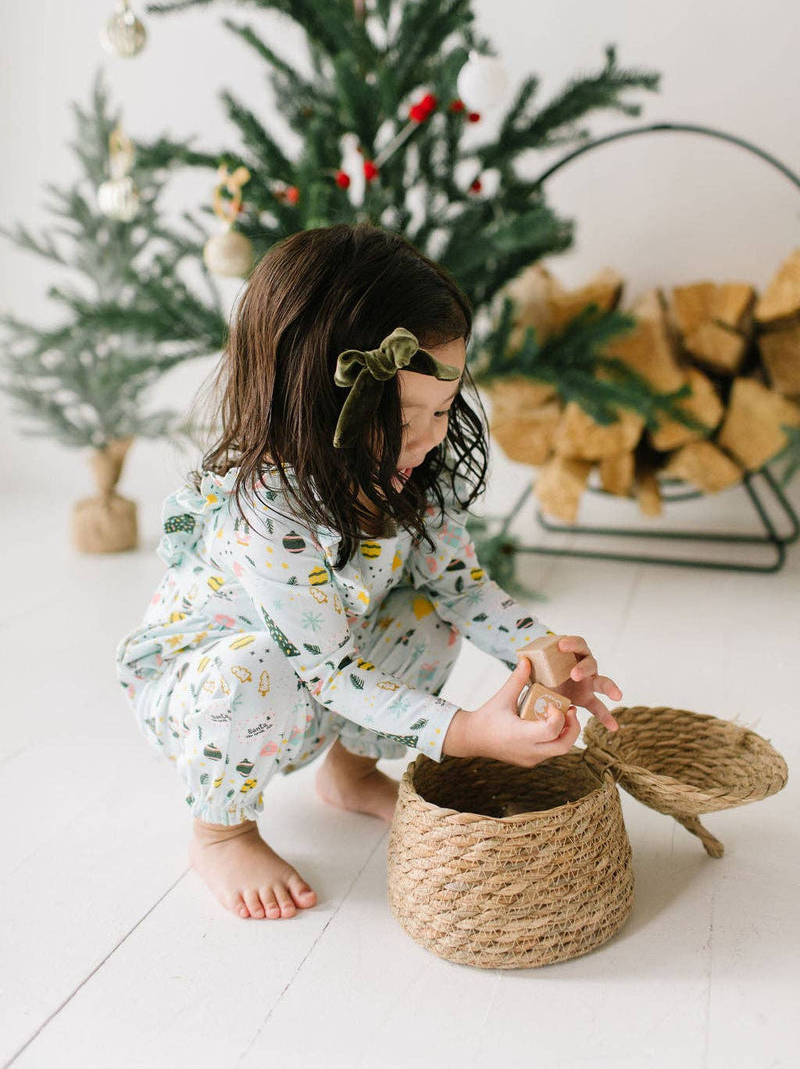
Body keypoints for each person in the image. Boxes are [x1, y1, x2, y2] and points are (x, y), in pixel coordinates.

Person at [116, 222, 622, 923]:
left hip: (330, 664)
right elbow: (326, 671)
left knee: (426, 614)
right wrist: (464, 732)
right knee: (256, 667)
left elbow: (463, 588)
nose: (431, 438)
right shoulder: (269, 512)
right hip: (217, 692)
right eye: (405, 417)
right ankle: (220, 831)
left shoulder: (415, 474)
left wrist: (546, 655)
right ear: (315, 406)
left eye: (443, 409)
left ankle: (351, 772)